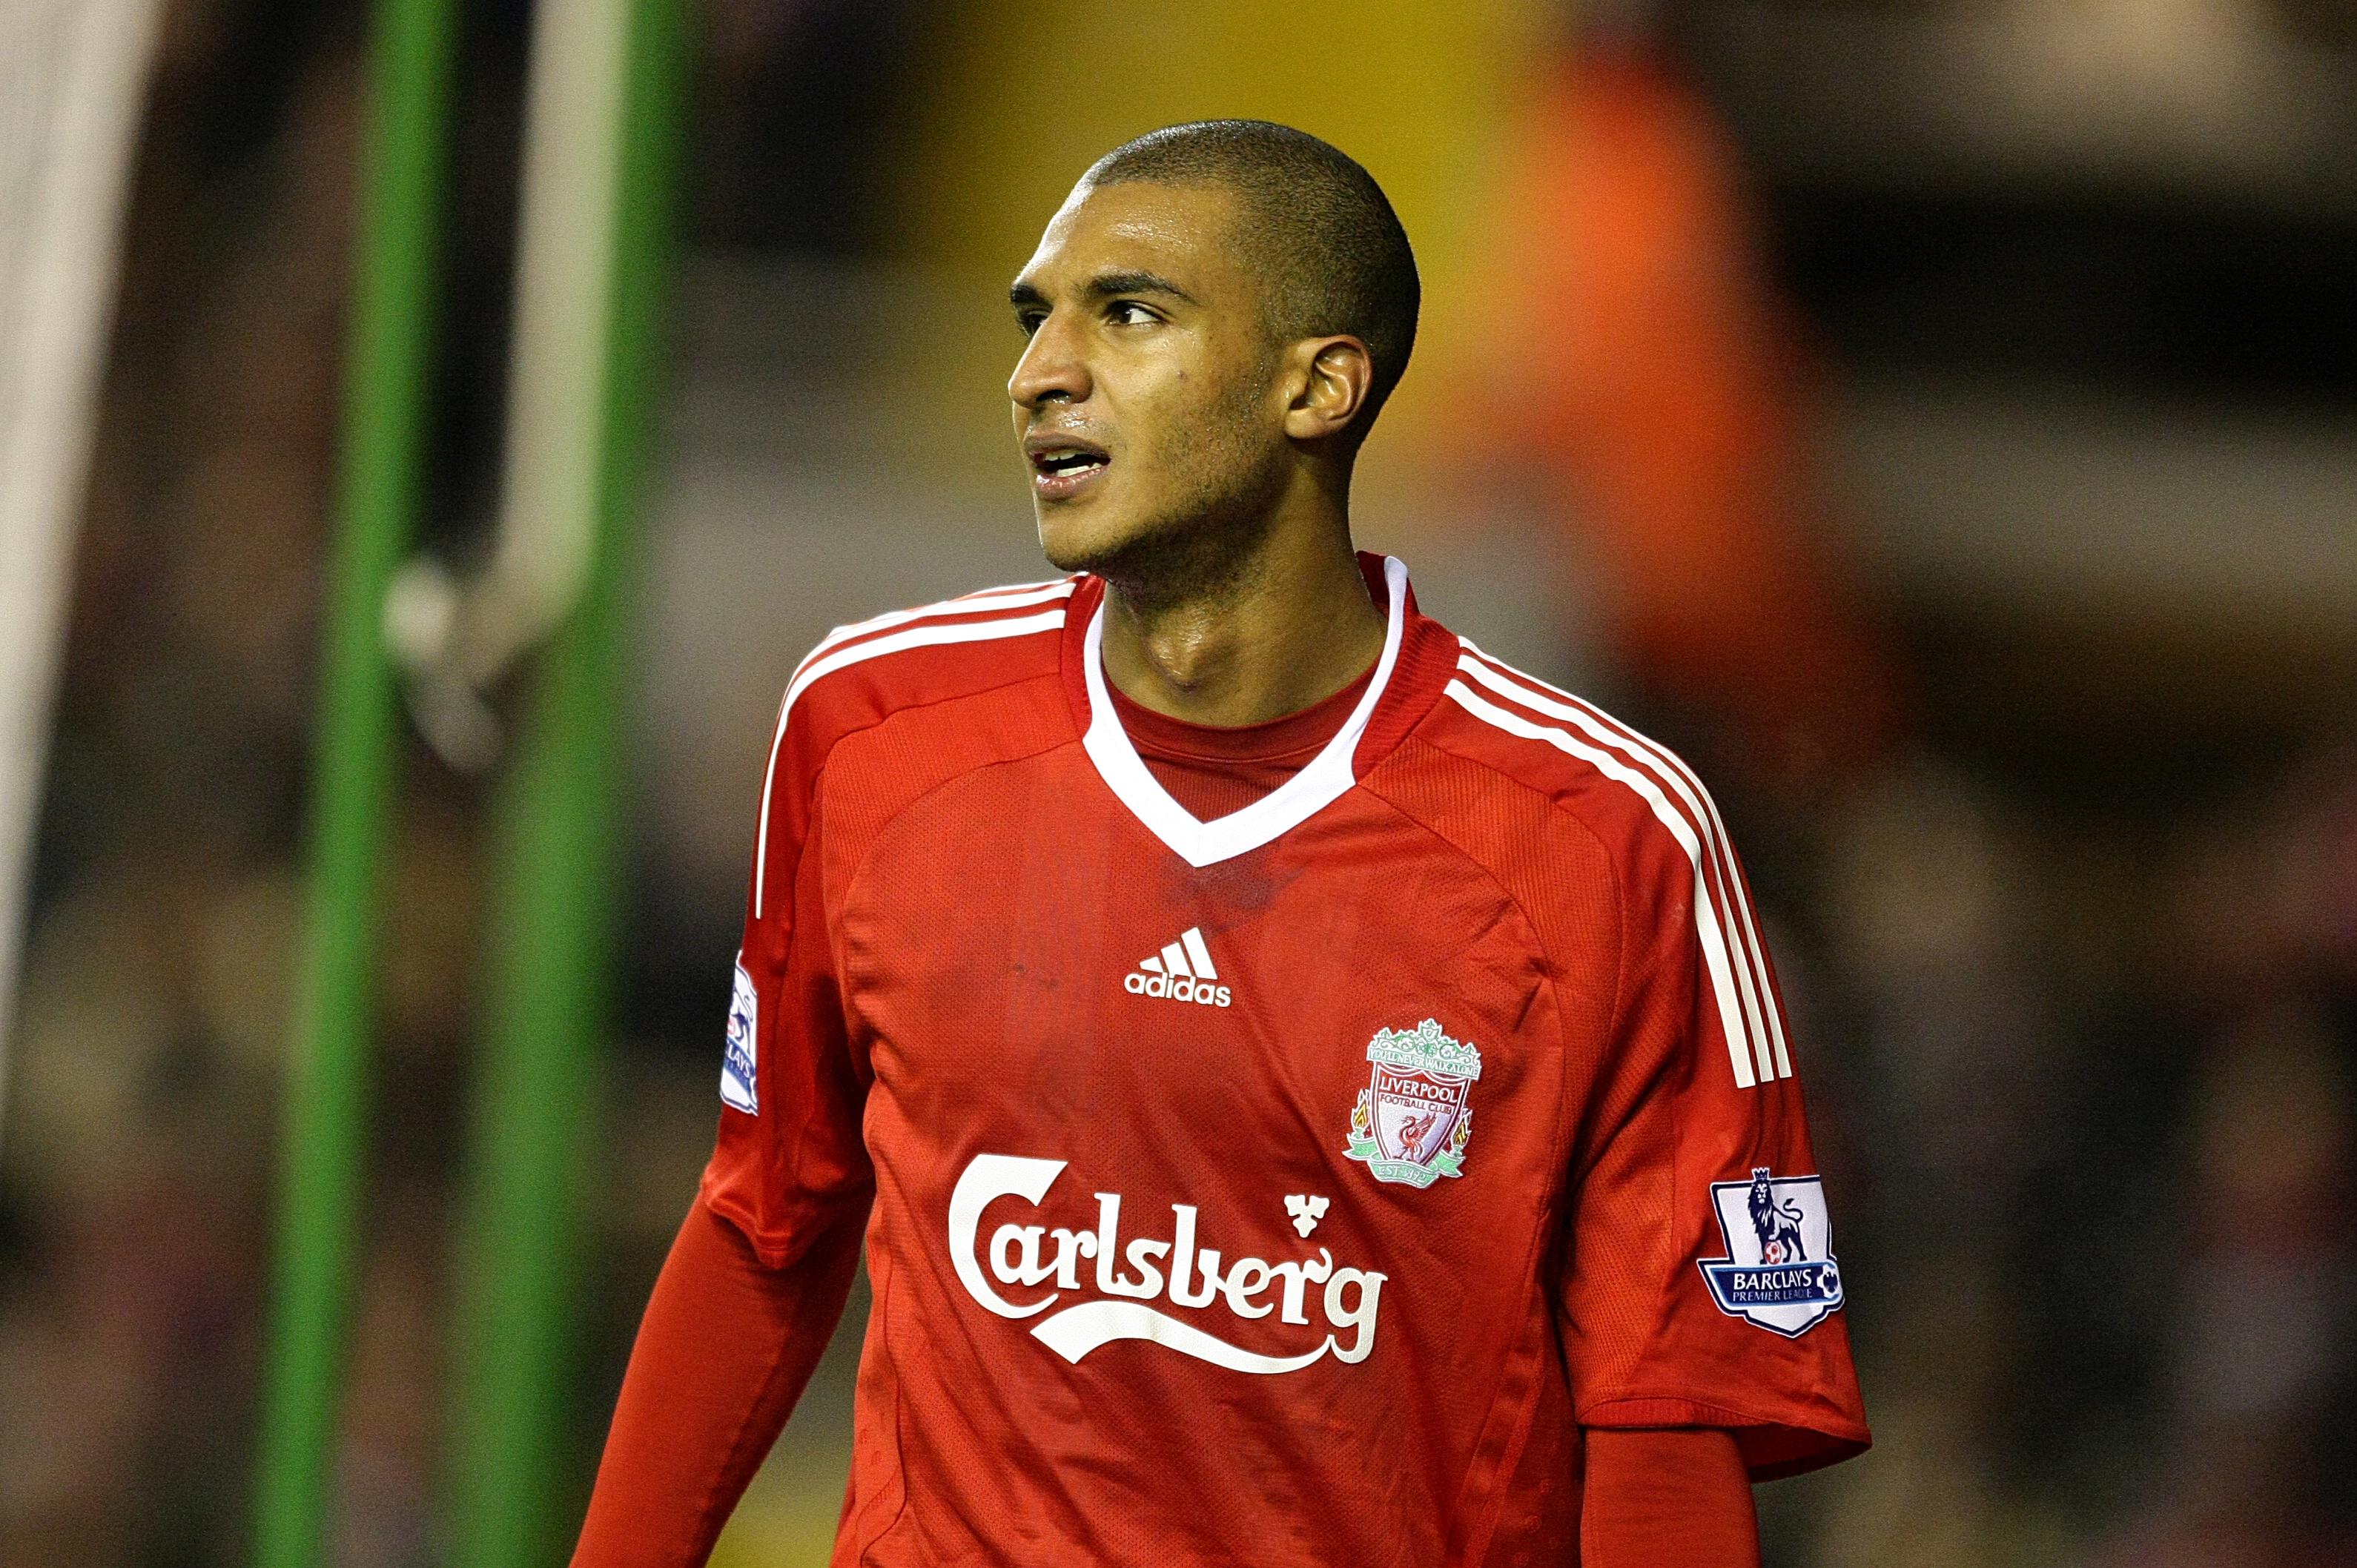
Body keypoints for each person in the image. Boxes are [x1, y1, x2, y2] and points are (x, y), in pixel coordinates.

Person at [571, 119, 1867, 1568]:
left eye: (1126, 314)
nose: (1037, 373)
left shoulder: (1609, 839)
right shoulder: (870, 728)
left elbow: (1667, 1418)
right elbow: (765, 1225)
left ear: (1318, 383)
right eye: (1035, 319)